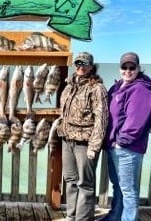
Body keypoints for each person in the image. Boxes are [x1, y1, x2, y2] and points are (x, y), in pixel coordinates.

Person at [56, 51, 109, 221]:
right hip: (67, 140)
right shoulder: (69, 85)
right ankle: (71, 216)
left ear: (91, 67)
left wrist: (94, 146)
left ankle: (83, 219)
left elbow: (101, 119)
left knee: (85, 184)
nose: (80, 67)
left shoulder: (97, 88)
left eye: (84, 64)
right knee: (70, 180)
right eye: (78, 63)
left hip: (85, 143)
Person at [100, 52, 151, 221]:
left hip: (127, 149)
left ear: (138, 68)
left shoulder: (141, 89)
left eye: (132, 67)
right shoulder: (117, 87)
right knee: (118, 186)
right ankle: (116, 216)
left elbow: (136, 121)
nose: (128, 71)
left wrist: (121, 142)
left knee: (128, 189)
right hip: (114, 146)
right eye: (124, 67)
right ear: (119, 68)